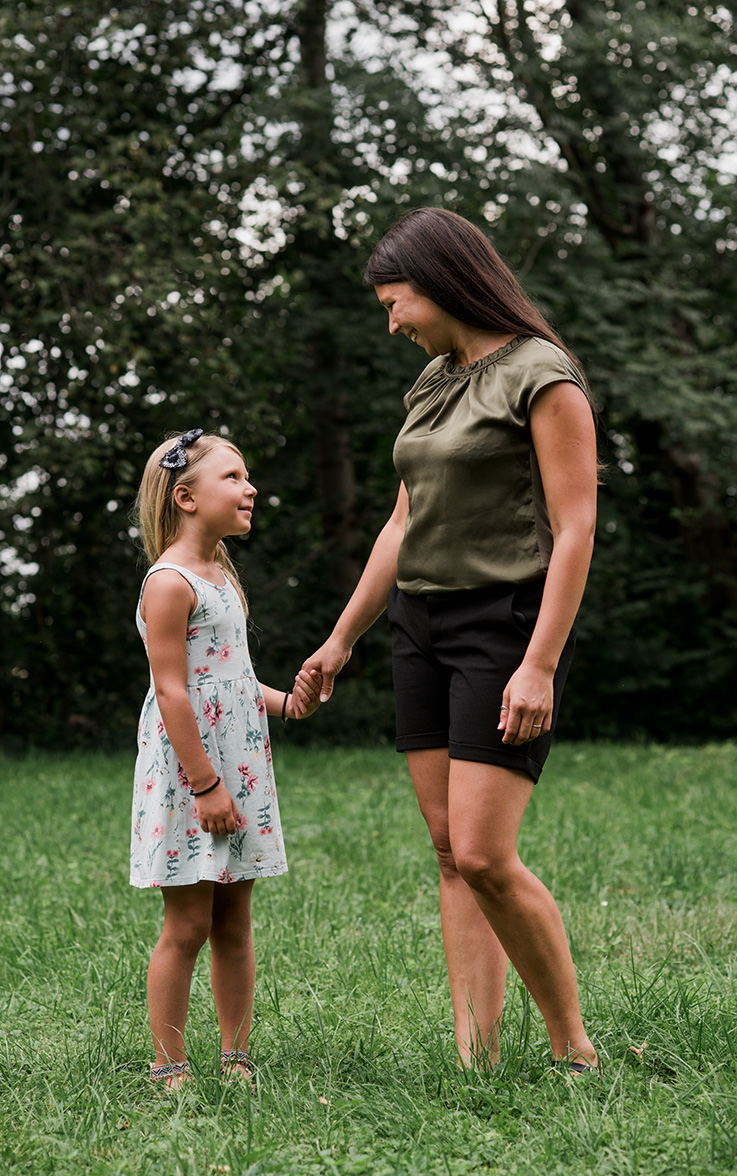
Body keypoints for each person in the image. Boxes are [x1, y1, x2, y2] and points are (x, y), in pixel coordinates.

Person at [298, 208, 600, 1073]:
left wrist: (538, 661)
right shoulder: (434, 380)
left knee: (481, 852)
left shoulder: (542, 377)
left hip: (503, 622)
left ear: (442, 285)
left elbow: (575, 528)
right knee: (446, 851)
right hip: (418, 624)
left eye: (396, 303)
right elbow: (402, 522)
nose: (391, 322)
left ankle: (573, 1049)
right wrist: (341, 638)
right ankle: (479, 1056)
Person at [131, 428, 321, 1089]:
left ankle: (236, 1056)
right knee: (186, 923)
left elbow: (231, 682)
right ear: (185, 496)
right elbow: (173, 689)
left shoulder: (222, 577)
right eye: (234, 478)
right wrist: (206, 785)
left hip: (235, 771)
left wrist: (285, 703)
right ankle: (168, 1063)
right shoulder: (170, 582)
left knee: (234, 919)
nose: (251, 488)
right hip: (194, 777)